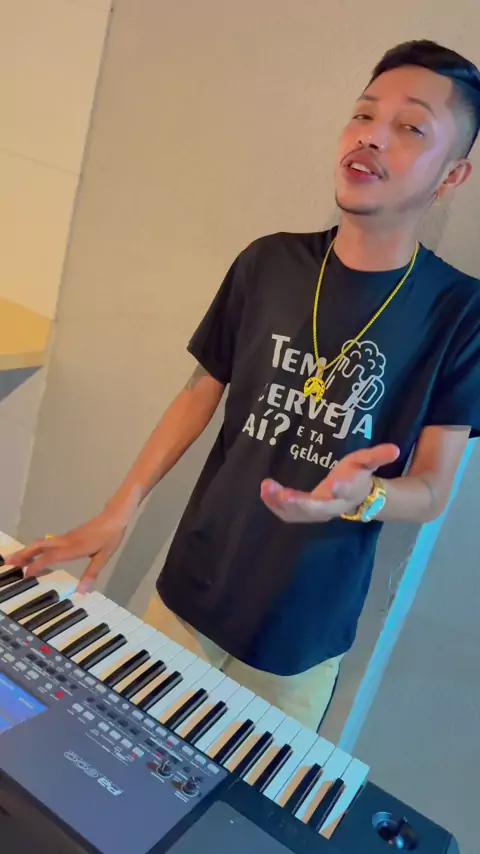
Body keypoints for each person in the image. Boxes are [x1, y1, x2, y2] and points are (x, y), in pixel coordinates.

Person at [10, 40, 480, 731]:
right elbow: (199, 393)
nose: (372, 136)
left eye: (410, 126)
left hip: (300, 640)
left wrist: (365, 497)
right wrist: (120, 507)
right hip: (190, 596)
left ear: (452, 174)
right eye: (363, 114)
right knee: (123, 767)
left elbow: (434, 489)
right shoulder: (269, 262)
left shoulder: (461, 313)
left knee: (237, 801)